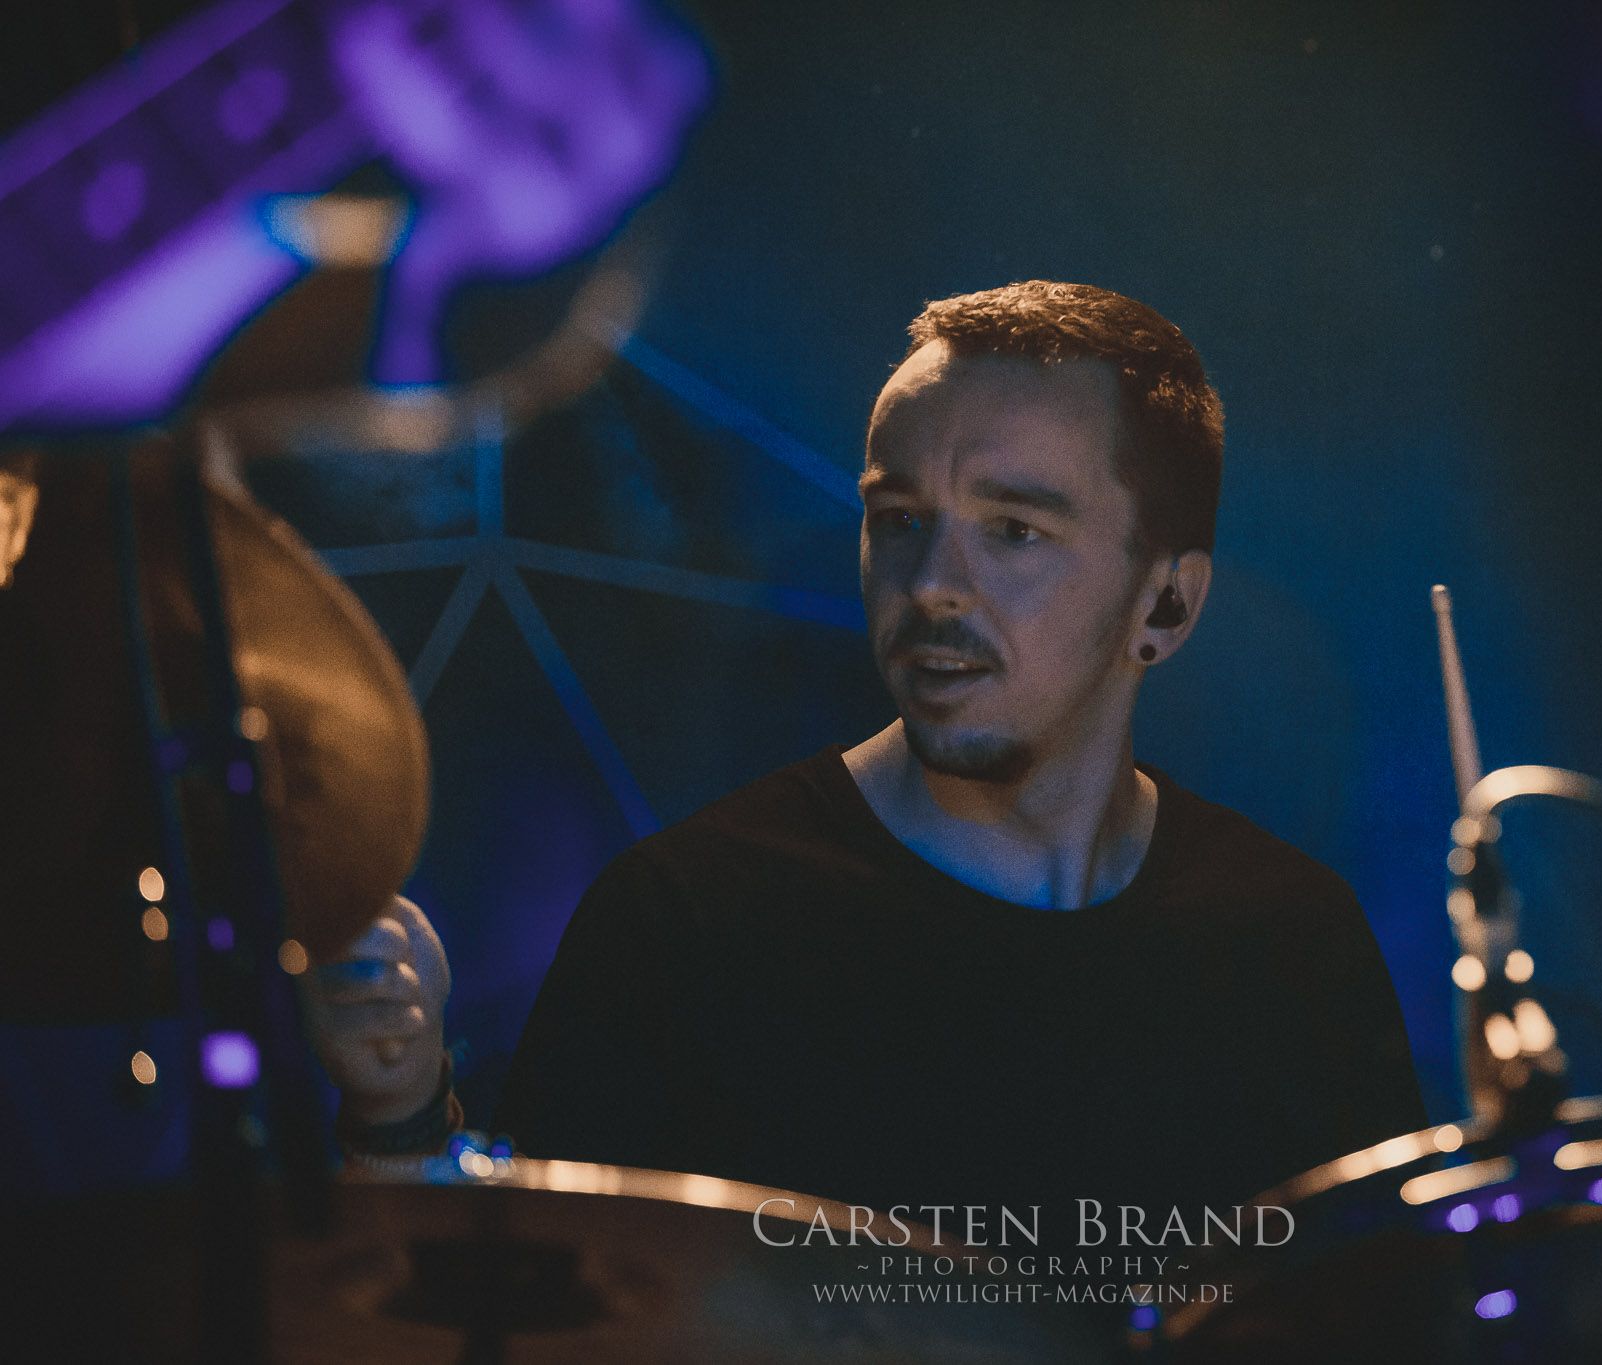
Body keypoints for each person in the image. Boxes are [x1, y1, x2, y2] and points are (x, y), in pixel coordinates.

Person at [308, 281, 1423, 1233]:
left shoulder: (1293, 947)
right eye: (897, 519)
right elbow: (534, 1315)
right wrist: (400, 1122)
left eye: (1013, 531)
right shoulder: (683, 925)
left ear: (1167, 605)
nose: (931, 583)